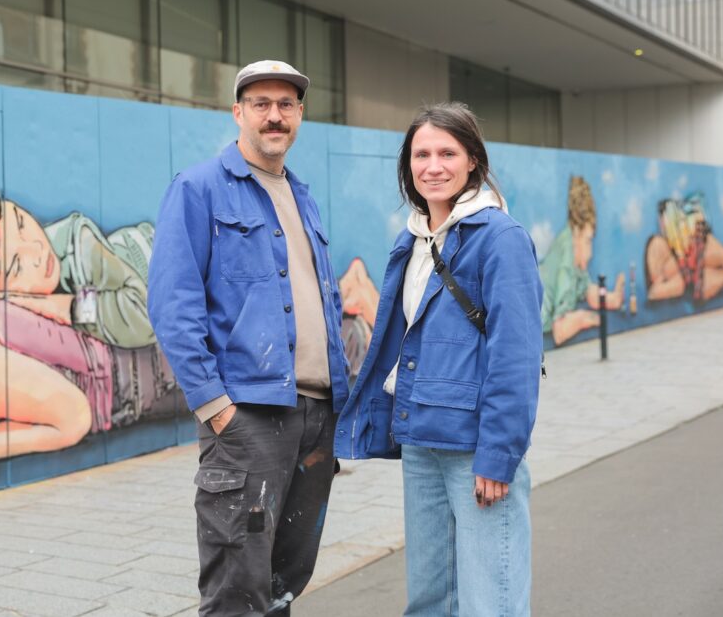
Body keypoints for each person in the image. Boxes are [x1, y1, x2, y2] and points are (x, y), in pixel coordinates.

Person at [148, 60, 349, 616]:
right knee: (237, 590)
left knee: (283, 582)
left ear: (300, 115)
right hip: (249, 420)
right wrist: (217, 409)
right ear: (238, 112)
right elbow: (172, 305)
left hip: (314, 416)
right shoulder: (198, 189)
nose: (274, 115)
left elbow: (322, 301)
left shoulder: (300, 196)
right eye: (260, 104)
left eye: (286, 105)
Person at [334, 103, 543, 616]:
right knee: (429, 599)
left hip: (475, 448)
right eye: (421, 153)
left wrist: (499, 455)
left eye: (447, 152)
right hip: (421, 441)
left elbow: (515, 358)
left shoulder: (499, 239)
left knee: (488, 599)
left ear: (473, 160)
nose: (433, 166)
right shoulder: (414, 239)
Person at [0, 185, 155, 348]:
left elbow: (144, 314)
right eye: (16, 265)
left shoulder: (76, 245)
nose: (37, 248)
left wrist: (68, 308)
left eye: (21, 223)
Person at [538, 175, 624, 346]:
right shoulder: (567, 257)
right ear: (576, 233)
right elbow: (560, 331)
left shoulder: (571, 247)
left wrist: (612, 298)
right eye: (588, 240)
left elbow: (588, 292)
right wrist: (590, 318)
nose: (590, 252)